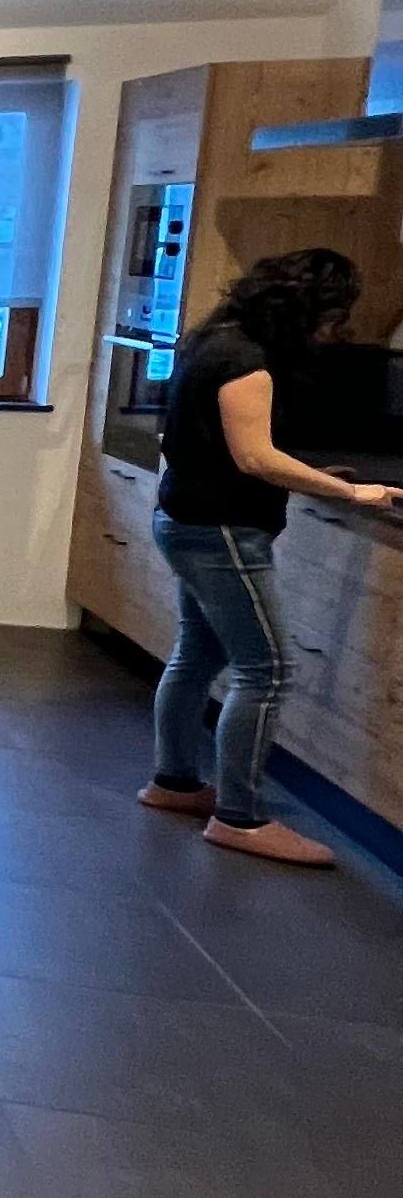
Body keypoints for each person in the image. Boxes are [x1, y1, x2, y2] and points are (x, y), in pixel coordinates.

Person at [141, 245, 398, 866]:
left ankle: (174, 783)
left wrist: (310, 475)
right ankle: (241, 818)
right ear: (305, 306)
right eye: (332, 316)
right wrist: (349, 491)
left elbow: (229, 445)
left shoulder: (214, 339)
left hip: (185, 518)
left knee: (197, 654)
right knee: (269, 670)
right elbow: (254, 458)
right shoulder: (248, 361)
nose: (332, 330)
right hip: (223, 532)